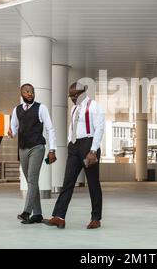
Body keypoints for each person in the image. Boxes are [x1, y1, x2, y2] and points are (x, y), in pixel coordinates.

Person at [45, 82, 105, 229]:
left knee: (93, 183)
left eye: (75, 95)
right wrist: (69, 144)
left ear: (83, 92)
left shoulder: (94, 106)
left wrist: (93, 151)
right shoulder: (74, 108)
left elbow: (100, 128)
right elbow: (73, 127)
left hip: (88, 146)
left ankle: (96, 218)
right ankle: (59, 216)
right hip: (74, 146)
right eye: (70, 95)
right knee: (68, 182)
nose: (72, 98)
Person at [8, 83, 57, 224]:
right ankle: (38, 214)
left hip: (37, 147)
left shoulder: (41, 108)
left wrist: (52, 149)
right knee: (31, 182)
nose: (30, 94)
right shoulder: (17, 110)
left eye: (32, 92)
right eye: (27, 92)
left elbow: (50, 129)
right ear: (22, 94)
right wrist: (11, 133)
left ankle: (26, 212)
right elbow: (14, 129)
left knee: (32, 179)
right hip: (22, 148)